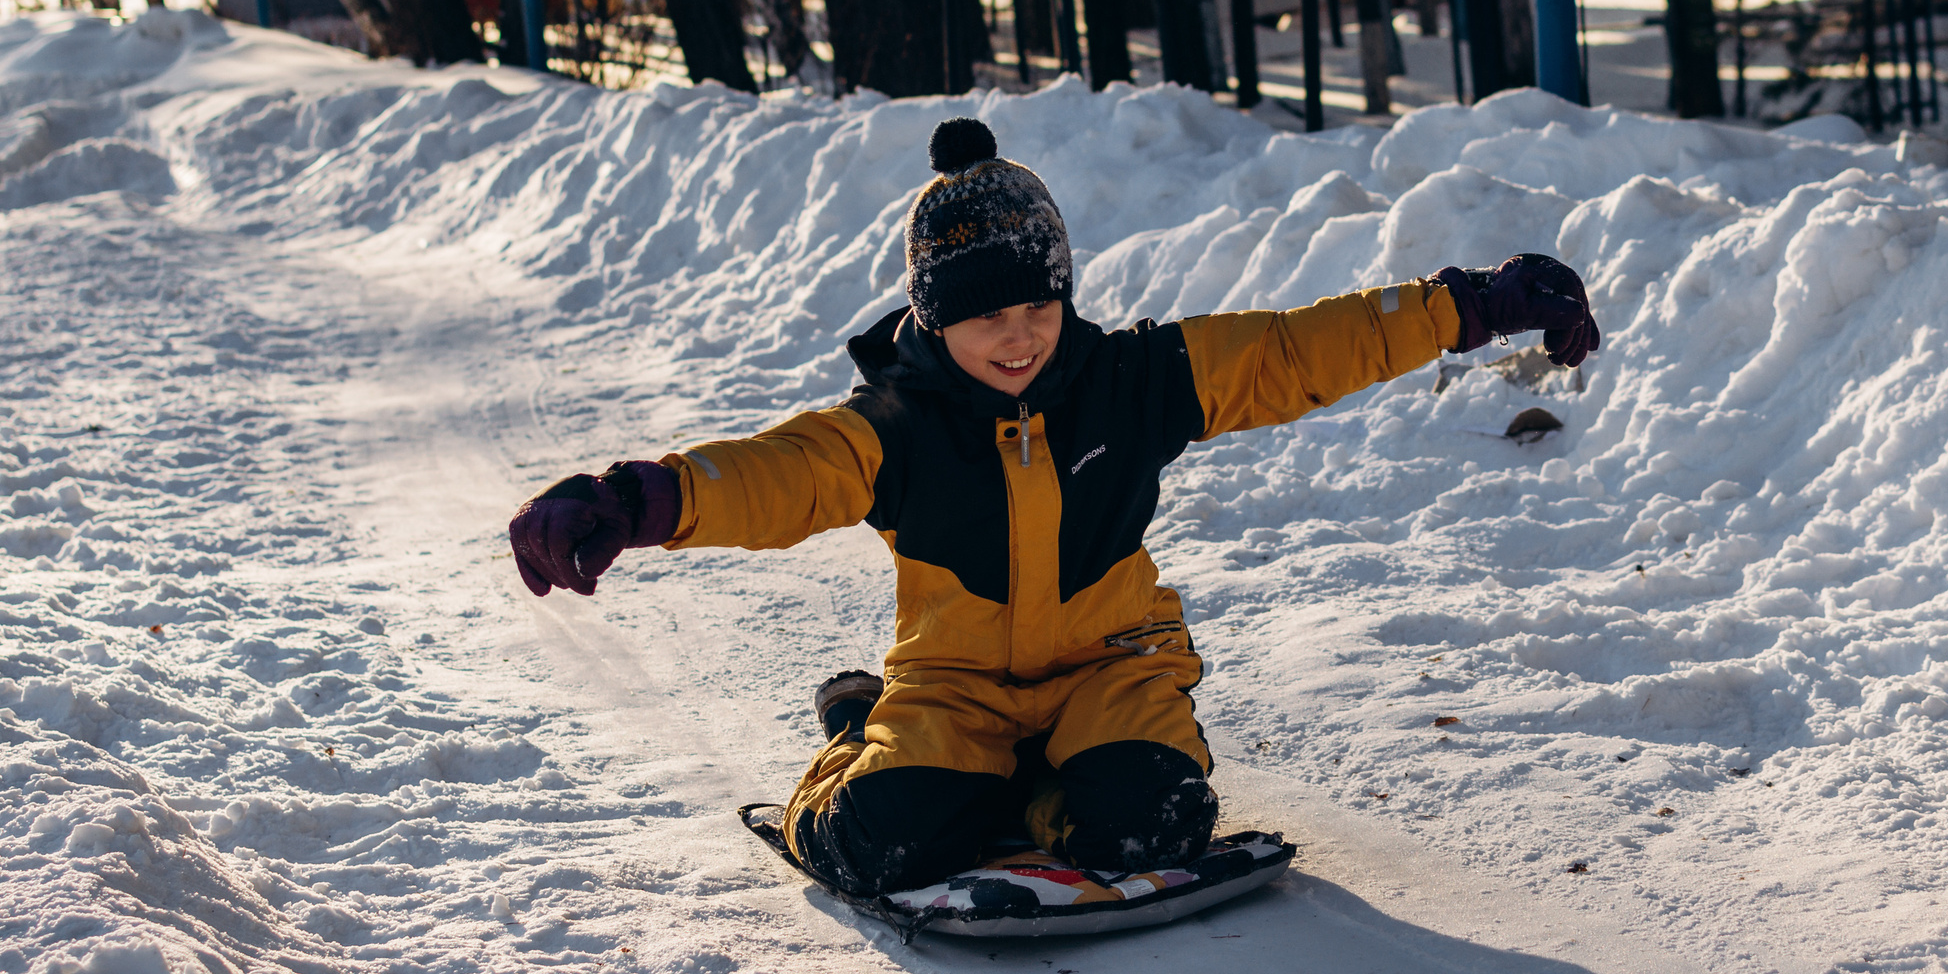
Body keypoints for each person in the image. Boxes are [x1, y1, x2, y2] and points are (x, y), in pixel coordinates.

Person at [509, 116, 1599, 897]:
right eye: (986, 317)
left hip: (1112, 666)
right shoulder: (893, 423)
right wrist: (631, 503)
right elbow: (774, 474)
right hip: (956, 687)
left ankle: (1034, 794)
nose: (1019, 335)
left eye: (1038, 302)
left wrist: (1472, 305)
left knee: (1157, 827)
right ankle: (855, 739)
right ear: (932, 321)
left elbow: (1297, 348)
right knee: (877, 847)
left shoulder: (1134, 378)